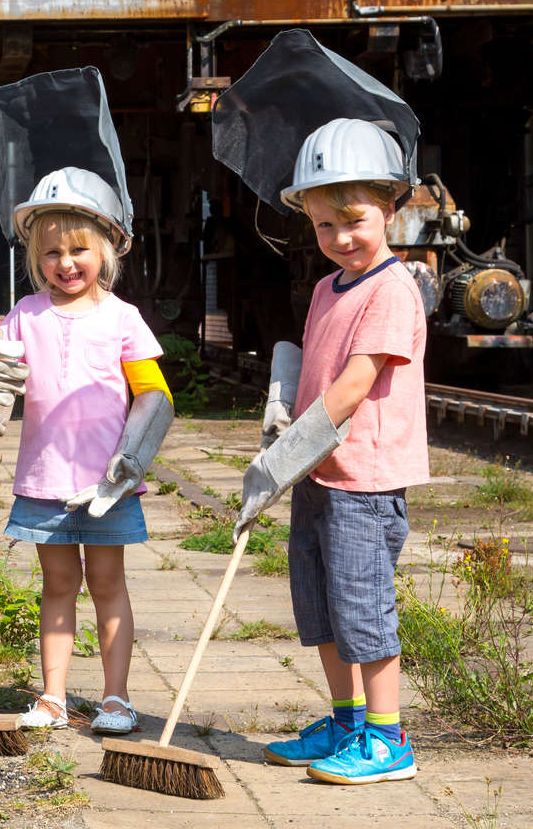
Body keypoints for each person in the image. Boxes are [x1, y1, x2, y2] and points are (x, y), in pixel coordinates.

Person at [235, 117, 428, 785]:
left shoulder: (392, 288)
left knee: (362, 606)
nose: (340, 238)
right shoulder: (325, 289)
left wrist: (282, 456)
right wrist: (281, 409)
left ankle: (387, 737)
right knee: (318, 606)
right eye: (323, 225)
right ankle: (346, 722)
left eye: (353, 219)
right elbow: (316, 369)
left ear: (392, 207)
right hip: (318, 471)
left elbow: (352, 385)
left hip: (363, 479)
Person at [0, 167, 174, 736]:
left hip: (108, 484)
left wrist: (135, 455)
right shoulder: (25, 315)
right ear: (35, 256)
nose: (66, 262)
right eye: (52, 251)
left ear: (107, 248)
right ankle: (53, 697)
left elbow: (154, 394)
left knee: (108, 585)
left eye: (80, 249)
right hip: (44, 478)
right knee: (57, 586)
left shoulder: (122, 317)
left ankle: (116, 698)